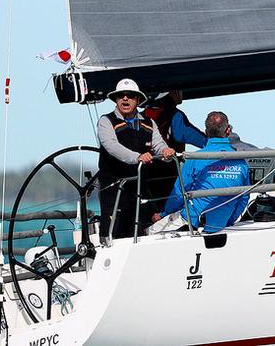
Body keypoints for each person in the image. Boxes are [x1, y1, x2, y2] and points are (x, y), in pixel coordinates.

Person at [97, 78, 175, 239]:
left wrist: (166, 152)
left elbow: (158, 145)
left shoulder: (149, 123)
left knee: (140, 232)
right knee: (114, 234)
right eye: (121, 96)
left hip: (139, 188)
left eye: (130, 96)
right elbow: (112, 146)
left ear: (138, 100)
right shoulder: (106, 121)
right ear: (116, 100)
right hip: (114, 190)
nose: (125, 99)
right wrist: (137, 157)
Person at [150, 111, 250, 233]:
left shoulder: (195, 159)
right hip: (222, 223)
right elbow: (244, 197)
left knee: (148, 232)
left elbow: (179, 193)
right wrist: (229, 221)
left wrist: (163, 214)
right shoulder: (241, 162)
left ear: (206, 131)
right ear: (228, 130)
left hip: (193, 221)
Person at [142, 91, 206, 216]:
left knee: (150, 210)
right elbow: (190, 135)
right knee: (169, 206)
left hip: (145, 171)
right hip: (169, 171)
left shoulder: (142, 115)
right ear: (172, 92)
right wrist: (214, 144)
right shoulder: (175, 115)